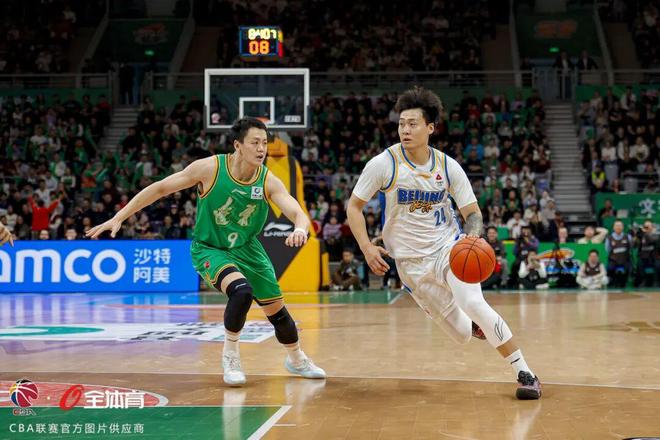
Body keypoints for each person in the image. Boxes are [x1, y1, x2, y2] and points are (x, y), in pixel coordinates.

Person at [88, 117, 325, 386]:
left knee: (279, 315)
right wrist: (119, 217)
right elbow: (160, 188)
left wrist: (300, 229)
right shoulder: (210, 168)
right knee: (241, 291)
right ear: (238, 145)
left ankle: (296, 359)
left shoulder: (267, 180)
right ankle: (231, 356)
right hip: (211, 248)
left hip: (248, 249)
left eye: (264, 143)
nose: (262, 149)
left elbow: (296, 211)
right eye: (255, 143)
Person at [346, 87, 541, 400]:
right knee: (462, 334)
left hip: (449, 249)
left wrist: (471, 236)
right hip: (410, 265)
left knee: (474, 303)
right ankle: (475, 324)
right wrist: (367, 247)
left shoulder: (448, 166)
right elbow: (354, 207)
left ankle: (525, 373)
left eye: (412, 124)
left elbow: (472, 213)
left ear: (430, 128)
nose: (405, 130)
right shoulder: (384, 164)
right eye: (401, 124)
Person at [605, 220, 632, 288]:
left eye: (620, 225)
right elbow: (608, 250)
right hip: (613, 260)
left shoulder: (628, 236)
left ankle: (624, 284)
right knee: (610, 269)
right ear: (613, 227)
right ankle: (613, 284)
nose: (618, 227)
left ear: (623, 227)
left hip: (625, 260)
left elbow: (631, 247)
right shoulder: (609, 238)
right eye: (616, 226)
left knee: (628, 269)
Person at [634, 220, 658, 287]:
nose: (646, 228)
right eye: (645, 226)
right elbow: (635, 245)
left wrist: (645, 233)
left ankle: (656, 282)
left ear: (652, 227)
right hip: (643, 257)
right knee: (639, 265)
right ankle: (642, 281)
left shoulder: (656, 235)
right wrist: (636, 235)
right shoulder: (641, 235)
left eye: (648, 226)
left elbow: (652, 240)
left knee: (658, 265)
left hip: (653, 257)